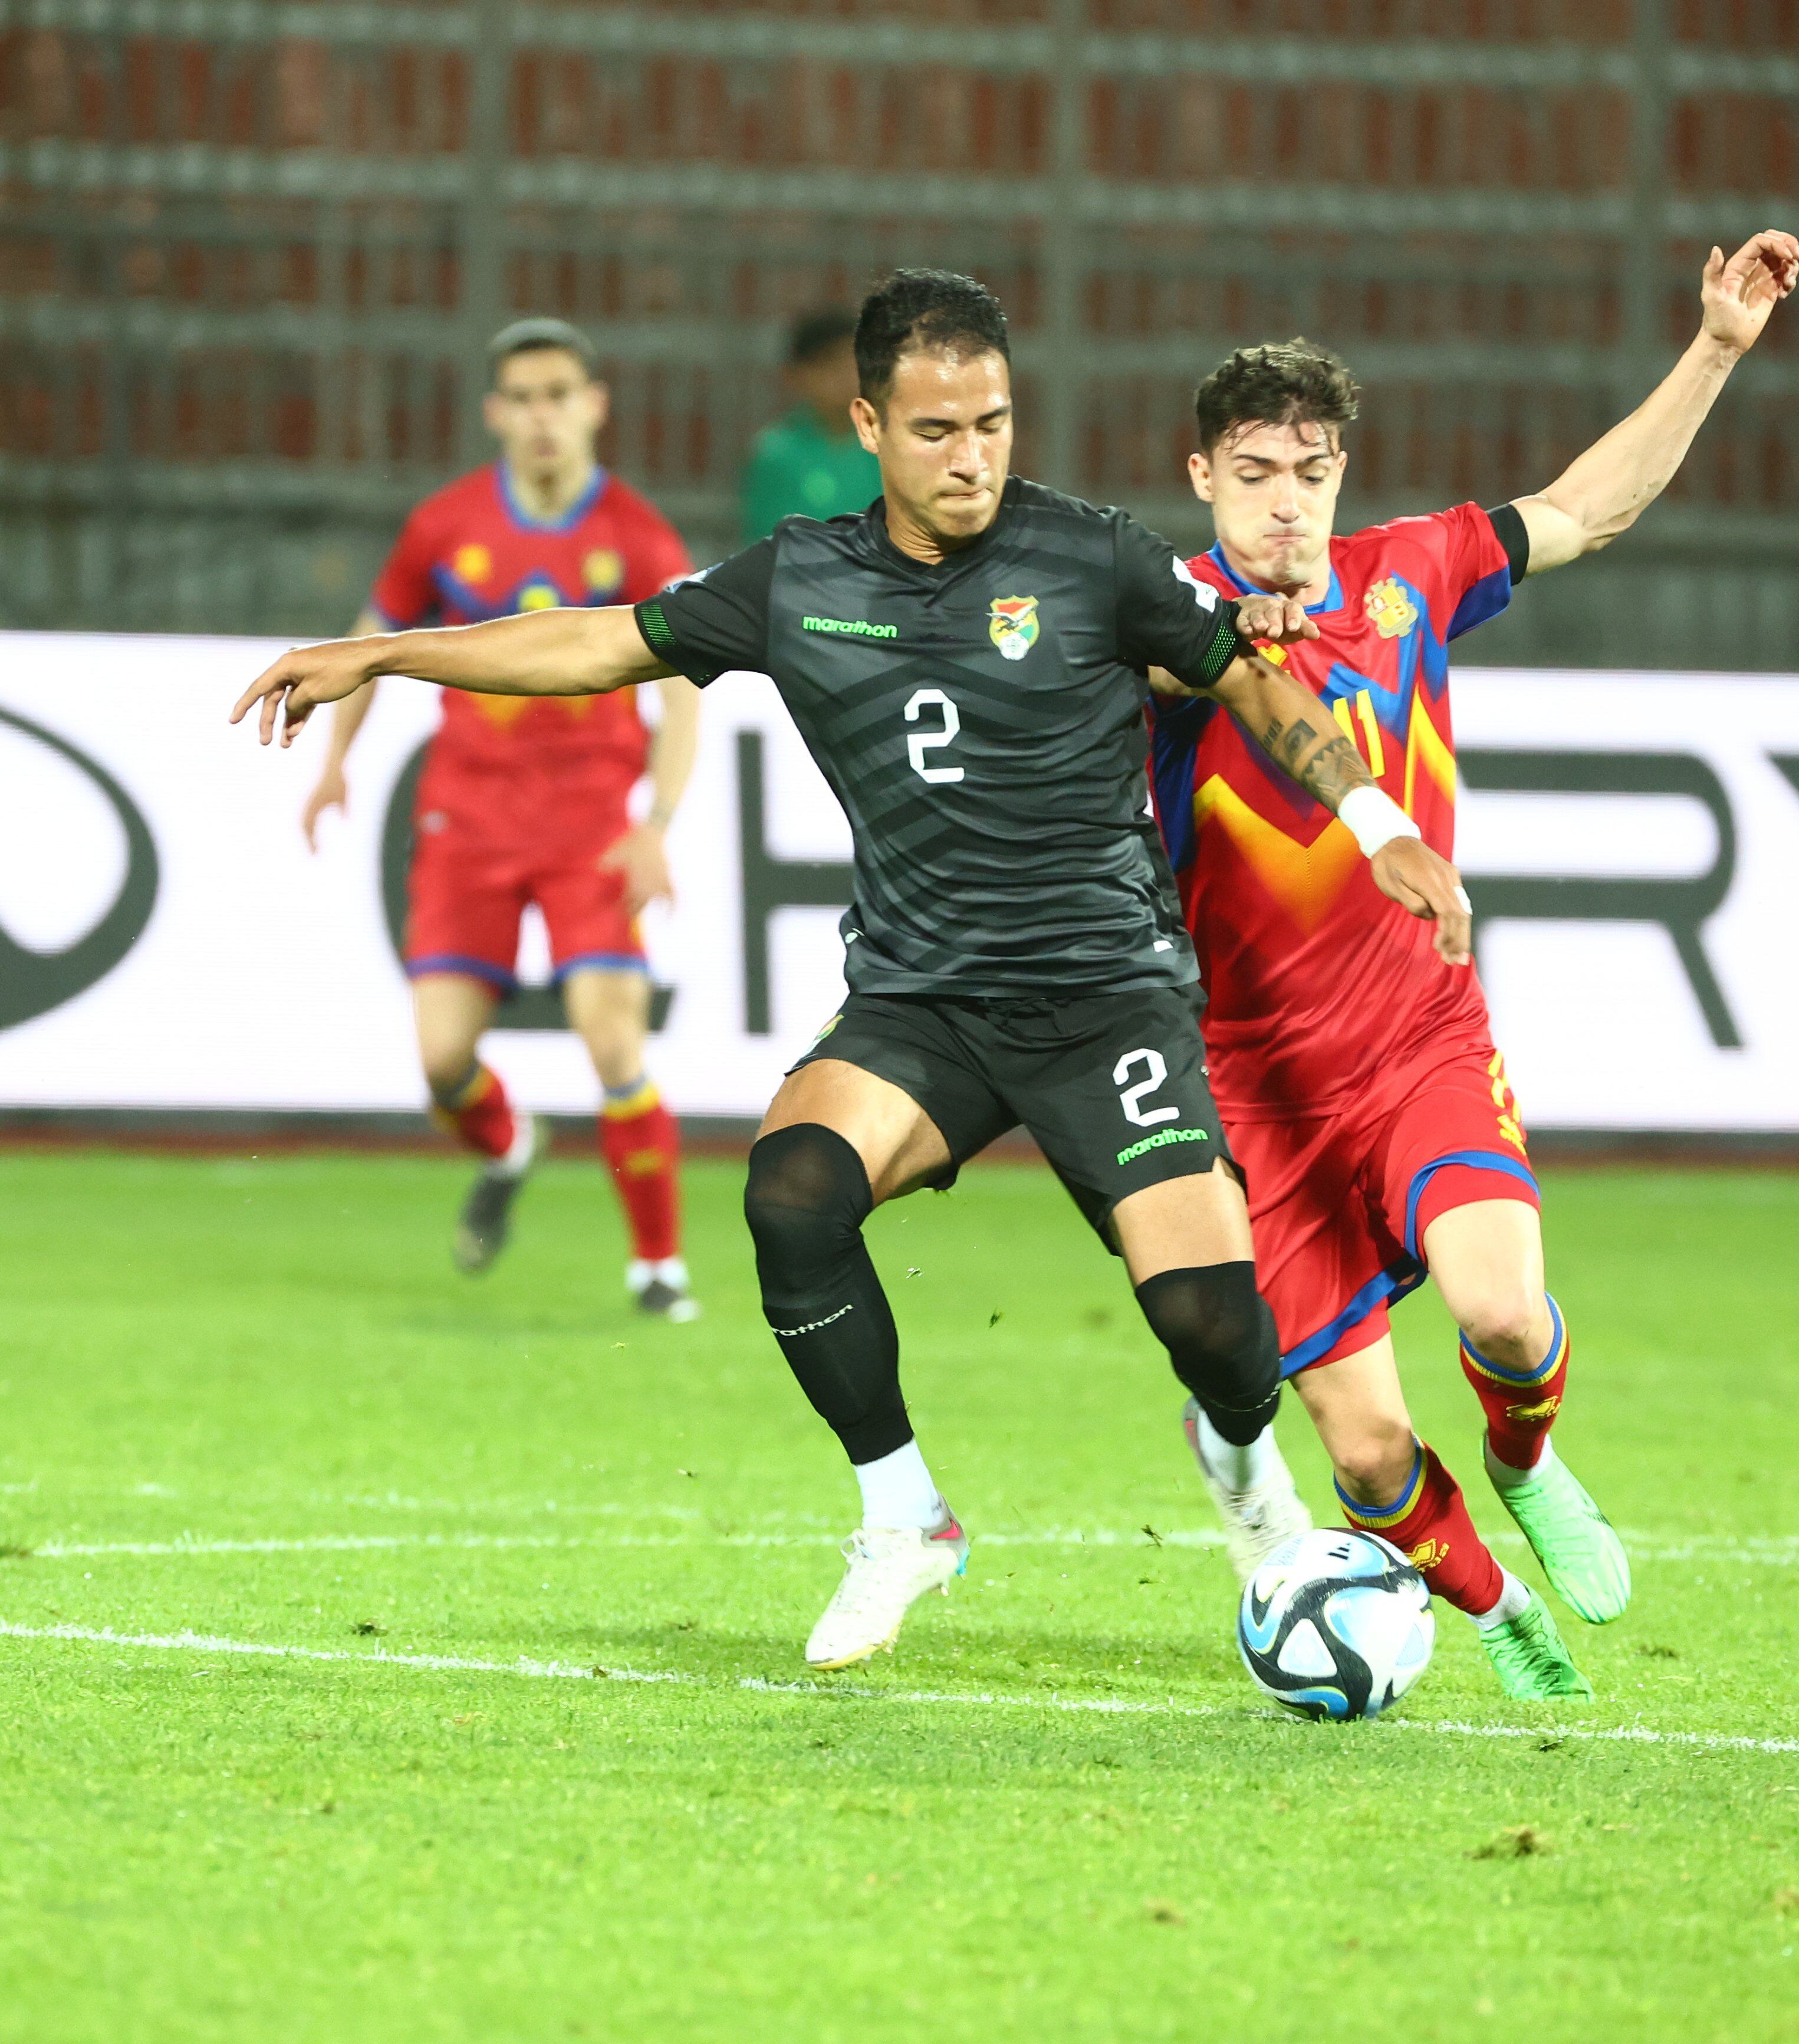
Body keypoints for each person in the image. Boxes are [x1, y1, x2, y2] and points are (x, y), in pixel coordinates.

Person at [231, 268, 1472, 1672]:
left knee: (1212, 1323)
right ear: (869, 425)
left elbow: (1250, 676)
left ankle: (1247, 1477)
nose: (974, 458)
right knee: (792, 1189)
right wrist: (385, 654)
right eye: (939, 430)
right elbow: (597, 643)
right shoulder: (800, 578)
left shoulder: (1093, 557)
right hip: (924, 1001)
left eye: (996, 424)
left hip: (1105, 991)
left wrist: (1376, 824)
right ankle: (903, 1516)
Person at [1154, 232, 1799, 1698]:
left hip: (1417, 1038)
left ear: (1340, 475)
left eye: (1309, 469)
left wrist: (1713, 349)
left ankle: (1533, 1462)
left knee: (1504, 1312)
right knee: (1369, 1446)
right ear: (1203, 479)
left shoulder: (1415, 570)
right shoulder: (1162, 617)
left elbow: (1590, 506)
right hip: (1250, 1090)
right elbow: (1163, 668)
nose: (1285, 500)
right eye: (1253, 471)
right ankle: (1497, 1611)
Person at [299, 317, 703, 1320]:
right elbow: (370, 641)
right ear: (495, 414)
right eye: (522, 399)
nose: (541, 417)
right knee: (441, 1062)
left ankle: (658, 1268)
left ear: (594, 406)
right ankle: (509, 1143)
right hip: (466, 824)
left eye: (559, 395)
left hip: (586, 831)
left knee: (612, 1041)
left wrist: (655, 819)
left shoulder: (638, 536)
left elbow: (687, 690)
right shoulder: (444, 526)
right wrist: (335, 761)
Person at [739, 308, 882, 542]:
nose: (846, 375)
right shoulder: (776, 452)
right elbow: (765, 544)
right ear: (795, 375)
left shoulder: (891, 443)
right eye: (829, 363)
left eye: (854, 362)